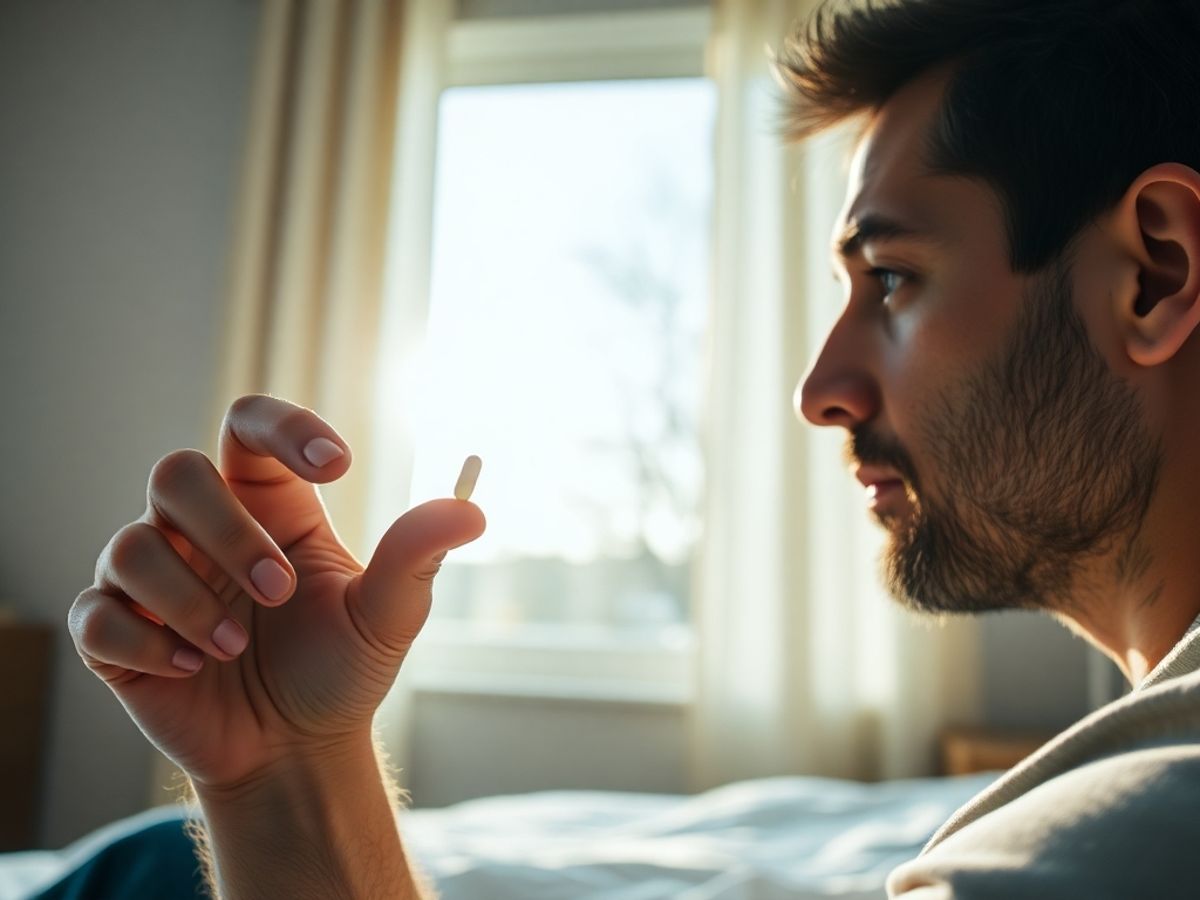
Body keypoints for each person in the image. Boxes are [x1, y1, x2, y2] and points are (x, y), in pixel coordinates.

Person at [67, 0, 1200, 896]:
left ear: (1156, 272)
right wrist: (284, 767)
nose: (820, 390)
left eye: (893, 278)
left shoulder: (1124, 832)